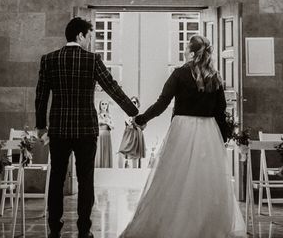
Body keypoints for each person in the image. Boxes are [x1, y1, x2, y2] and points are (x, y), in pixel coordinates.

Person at [120, 35, 246, 238]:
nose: (184, 52)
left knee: (174, 179)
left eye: (186, 49)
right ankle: (206, 228)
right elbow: (220, 111)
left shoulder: (179, 74)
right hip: (208, 132)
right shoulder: (215, 76)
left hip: (183, 130)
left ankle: (176, 225)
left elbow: (162, 103)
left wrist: (142, 118)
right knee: (206, 182)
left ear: (191, 52)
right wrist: (222, 137)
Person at [35, 17, 139, 238]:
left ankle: (54, 229)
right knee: (86, 180)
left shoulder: (49, 60)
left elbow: (41, 96)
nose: (90, 42)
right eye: (89, 37)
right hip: (85, 130)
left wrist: (41, 127)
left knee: (56, 178)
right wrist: (134, 113)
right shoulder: (92, 60)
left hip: (59, 130)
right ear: (80, 36)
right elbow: (112, 87)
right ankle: (84, 229)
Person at [118, 96, 146, 168]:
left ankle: (135, 173)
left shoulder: (139, 116)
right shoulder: (126, 114)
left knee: (135, 156)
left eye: (134, 102)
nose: (133, 104)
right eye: (131, 102)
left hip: (136, 134)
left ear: (137, 104)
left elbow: (143, 125)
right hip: (128, 134)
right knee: (121, 152)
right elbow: (128, 122)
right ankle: (120, 171)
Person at [94, 100, 113, 168]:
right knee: (99, 151)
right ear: (100, 105)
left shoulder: (109, 115)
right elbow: (95, 124)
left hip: (107, 135)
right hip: (100, 134)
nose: (104, 106)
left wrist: (108, 123)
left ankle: (106, 167)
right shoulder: (97, 115)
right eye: (102, 104)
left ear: (107, 106)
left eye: (105, 104)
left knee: (106, 152)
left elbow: (113, 126)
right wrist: (102, 121)